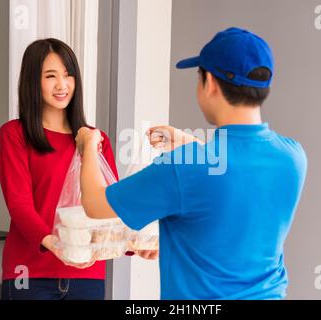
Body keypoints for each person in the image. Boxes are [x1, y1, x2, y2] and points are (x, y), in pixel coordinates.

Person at [75, 27, 308, 299]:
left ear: (209, 82)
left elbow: (95, 204)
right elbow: (234, 180)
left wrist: (88, 145)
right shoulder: (293, 157)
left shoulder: (183, 167)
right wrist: (190, 144)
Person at [0, 38, 151, 300]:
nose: (62, 85)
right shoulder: (14, 134)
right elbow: (19, 204)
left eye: (68, 75)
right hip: (30, 274)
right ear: (34, 81)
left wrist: (133, 244)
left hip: (86, 277)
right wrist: (55, 245)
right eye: (51, 76)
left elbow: (107, 208)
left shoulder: (95, 139)